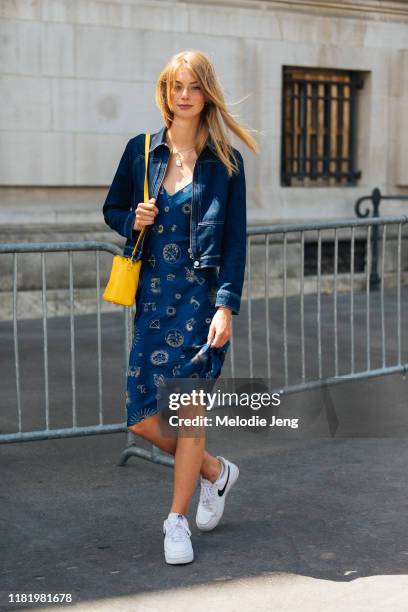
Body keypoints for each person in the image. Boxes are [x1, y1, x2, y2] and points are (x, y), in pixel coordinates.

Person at [103, 49, 258, 565]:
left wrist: (225, 307)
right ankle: (215, 471)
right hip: (151, 301)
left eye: (192, 86)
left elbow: (234, 242)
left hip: (198, 303)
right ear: (166, 92)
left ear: (206, 93)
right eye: (175, 86)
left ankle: (176, 521)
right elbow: (112, 208)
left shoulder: (226, 163)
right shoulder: (140, 151)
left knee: (187, 414)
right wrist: (135, 219)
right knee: (144, 419)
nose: (183, 95)